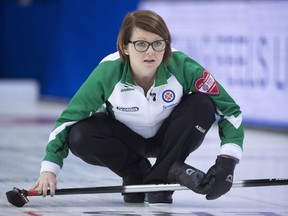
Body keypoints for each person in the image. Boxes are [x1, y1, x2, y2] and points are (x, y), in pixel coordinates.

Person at [31, 10, 244, 204]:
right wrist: (49, 170)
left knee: (203, 104)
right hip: (128, 141)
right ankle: (135, 170)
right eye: (141, 44)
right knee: (79, 135)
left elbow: (230, 111)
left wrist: (228, 161)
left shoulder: (183, 67)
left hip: (170, 140)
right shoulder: (107, 72)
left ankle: (162, 175)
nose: (150, 52)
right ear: (125, 46)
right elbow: (68, 120)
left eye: (158, 43)